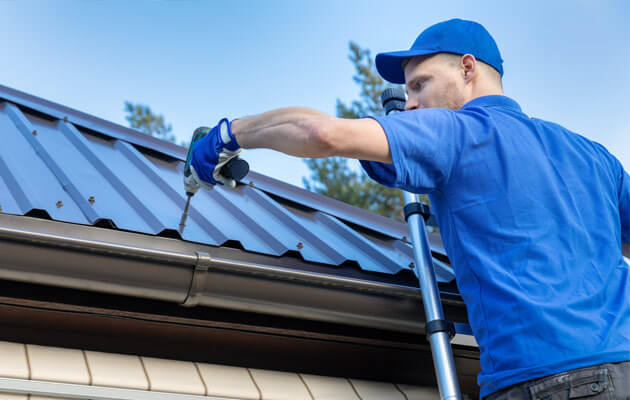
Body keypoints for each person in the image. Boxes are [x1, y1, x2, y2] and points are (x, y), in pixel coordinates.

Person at [187, 18, 629, 400]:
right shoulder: (591, 155)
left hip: (547, 380)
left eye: (420, 84)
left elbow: (321, 133)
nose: (411, 103)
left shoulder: (456, 132)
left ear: (467, 69)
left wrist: (229, 134)